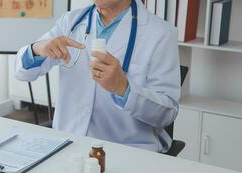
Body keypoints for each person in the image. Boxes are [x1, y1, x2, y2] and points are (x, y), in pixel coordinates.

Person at [14, 0, 181, 153]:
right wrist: (37, 49)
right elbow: (22, 72)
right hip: (69, 145)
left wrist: (124, 89)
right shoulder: (71, 22)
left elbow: (167, 113)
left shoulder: (160, 33)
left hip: (127, 150)